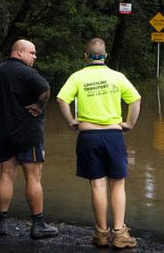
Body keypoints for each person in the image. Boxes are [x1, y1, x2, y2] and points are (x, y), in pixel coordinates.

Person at [56, 37, 141, 249]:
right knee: (118, 184)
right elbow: (136, 99)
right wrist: (129, 123)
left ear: (86, 56)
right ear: (105, 56)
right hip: (113, 135)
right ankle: (120, 233)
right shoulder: (117, 76)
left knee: (97, 184)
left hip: (88, 136)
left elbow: (61, 99)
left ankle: (101, 234)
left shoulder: (78, 77)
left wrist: (71, 121)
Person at [0, 39, 59, 239]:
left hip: (2, 131)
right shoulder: (27, 73)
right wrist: (39, 107)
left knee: (6, 173)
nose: (35, 57)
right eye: (32, 53)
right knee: (33, 176)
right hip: (27, 132)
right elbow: (45, 89)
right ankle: (38, 224)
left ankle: (2, 222)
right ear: (19, 52)